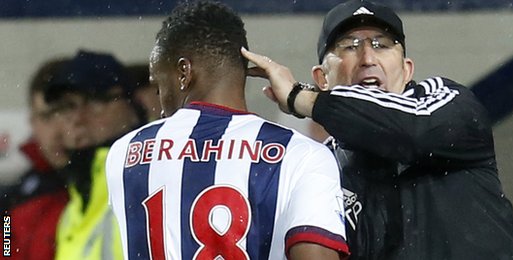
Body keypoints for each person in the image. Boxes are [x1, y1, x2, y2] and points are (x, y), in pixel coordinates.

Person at [242, 0, 513, 259]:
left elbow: (412, 133)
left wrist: (298, 98)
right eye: (349, 46)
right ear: (322, 78)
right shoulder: (320, 166)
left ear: (407, 70)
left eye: (381, 44)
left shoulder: (445, 100)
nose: (368, 58)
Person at [105, 1, 348, 260]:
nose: (162, 106)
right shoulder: (302, 155)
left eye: (160, 85)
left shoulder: (125, 153)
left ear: (184, 72)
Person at [43, 49, 145, 260]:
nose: (78, 118)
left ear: (132, 105)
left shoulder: (151, 180)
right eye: (67, 106)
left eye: (96, 100)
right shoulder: (73, 206)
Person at [2, 58, 71, 259]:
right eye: (47, 117)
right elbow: (7, 249)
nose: (57, 132)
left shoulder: (116, 183)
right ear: (33, 123)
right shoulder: (14, 200)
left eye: (65, 114)